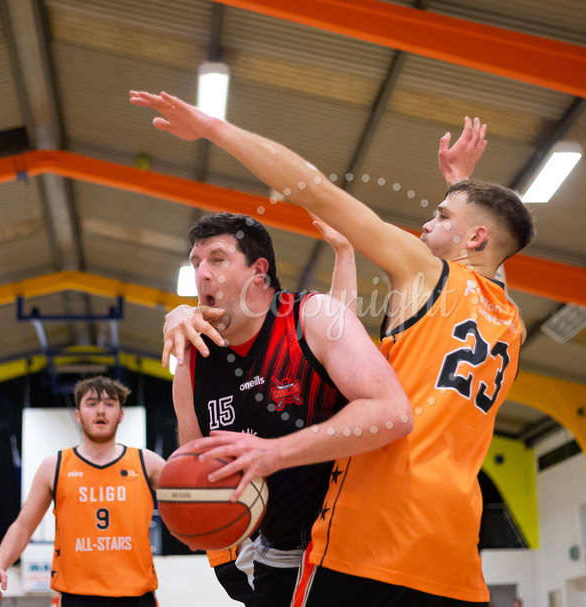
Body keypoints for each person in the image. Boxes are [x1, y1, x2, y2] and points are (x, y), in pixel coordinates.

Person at [130, 90, 534, 606]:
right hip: (454, 551)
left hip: (372, 531)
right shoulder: (509, 318)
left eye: (440, 214)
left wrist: (213, 128)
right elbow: (495, 254)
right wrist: (461, 185)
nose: (425, 223)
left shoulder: (425, 272)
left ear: (473, 238)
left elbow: (314, 188)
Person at [167, 212, 412, 607]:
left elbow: (393, 413)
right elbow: (198, 470)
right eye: (196, 263)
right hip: (274, 556)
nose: (202, 273)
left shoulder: (309, 317)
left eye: (217, 259)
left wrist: (275, 453)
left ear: (258, 271)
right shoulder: (193, 362)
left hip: (355, 549)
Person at [0, 376, 166, 607]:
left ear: (121, 415)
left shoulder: (147, 462)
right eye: (91, 403)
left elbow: (189, 499)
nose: (101, 411)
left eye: (109, 404)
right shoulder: (55, 466)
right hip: (77, 597)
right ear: (78, 415)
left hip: (136, 596)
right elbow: (23, 525)